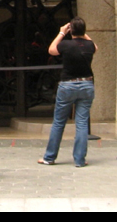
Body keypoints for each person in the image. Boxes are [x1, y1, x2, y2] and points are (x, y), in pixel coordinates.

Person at [38, 16, 96, 167]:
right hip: (86, 84)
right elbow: (95, 46)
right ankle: (79, 160)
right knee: (82, 123)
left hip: (68, 85)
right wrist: (83, 33)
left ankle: (49, 157)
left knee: (59, 122)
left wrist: (62, 32)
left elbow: (51, 50)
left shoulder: (66, 44)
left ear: (71, 31)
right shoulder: (89, 45)